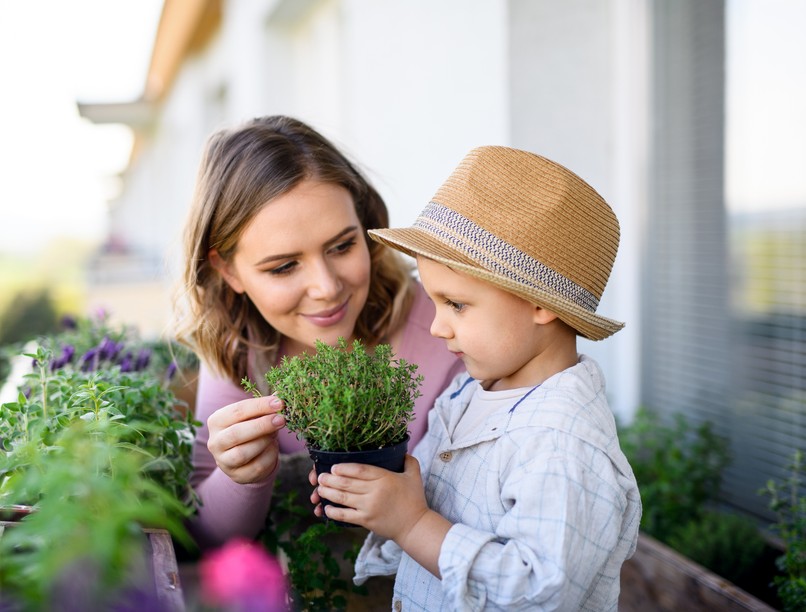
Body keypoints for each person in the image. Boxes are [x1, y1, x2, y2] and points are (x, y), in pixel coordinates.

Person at [313, 146, 642, 610]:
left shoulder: (563, 444)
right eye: (434, 301)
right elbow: (429, 497)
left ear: (539, 303)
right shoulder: (469, 391)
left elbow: (539, 592)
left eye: (456, 304)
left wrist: (412, 524)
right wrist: (375, 494)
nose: (436, 327)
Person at [174, 115, 464, 550]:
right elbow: (205, 533)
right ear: (228, 270)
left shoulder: (443, 324)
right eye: (284, 267)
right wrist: (242, 476)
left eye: (342, 246)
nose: (326, 288)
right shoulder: (238, 347)